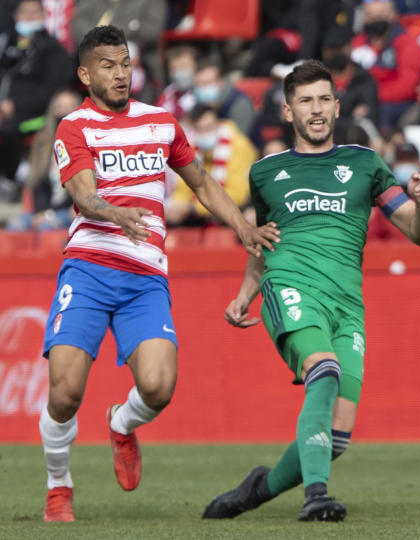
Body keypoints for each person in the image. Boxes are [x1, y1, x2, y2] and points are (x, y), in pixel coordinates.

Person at [38, 26, 279, 523]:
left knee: (159, 387)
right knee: (64, 392)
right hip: (87, 268)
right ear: (85, 74)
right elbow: (83, 193)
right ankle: (58, 487)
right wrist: (113, 212)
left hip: (145, 276)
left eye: (125, 63)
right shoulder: (74, 126)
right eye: (107, 64)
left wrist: (242, 227)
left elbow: (204, 182)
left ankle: (121, 423)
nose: (120, 72)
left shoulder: (162, 123)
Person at [201, 59, 420, 522]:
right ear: (288, 111)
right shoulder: (267, 171)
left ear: (336, 105)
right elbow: (262, 242)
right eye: (305, 101)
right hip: (290, 286)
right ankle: (316, 496)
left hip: (347, 303)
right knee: (323, 370)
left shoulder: (365, 163)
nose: (316, 109)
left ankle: (257, 489)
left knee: (340, 434)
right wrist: (246, 293)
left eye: (324, 99)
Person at [0, 0, 73, 197]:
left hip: (32, 115)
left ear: (43, 16)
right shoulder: (6, 44)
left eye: (35, 13)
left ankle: (12, 177)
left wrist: (15, 106)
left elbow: (50, 90)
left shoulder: (52, 49)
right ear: (15, 16)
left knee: (7, 128)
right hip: (4, 107)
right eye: (25, 13)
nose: (30, 17)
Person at [166, 104, 258, 226]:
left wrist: (193, 208)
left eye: (209, 128)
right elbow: (183, 187)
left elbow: (238, 196)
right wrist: (177, 205)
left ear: (219, 123)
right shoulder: (192, 147)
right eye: (201, 130)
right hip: (200, 211)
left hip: (237, 210)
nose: (206, 133)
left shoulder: (240, 146)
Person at [6, 89, 81, 232]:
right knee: (14, 226)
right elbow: (37, 183)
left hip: (71, 211)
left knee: (45, 227)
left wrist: (48, 215)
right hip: (43, 210)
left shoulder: (84, 145)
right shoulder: (42, 143)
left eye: (68, 107)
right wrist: (41, 213)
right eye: (59, 107)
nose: (63, 112)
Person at [350, 0, 420, 131]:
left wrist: (369, 99)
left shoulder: (408, 44)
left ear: (393, 15)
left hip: (402, 105)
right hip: (364, 101)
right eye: (371, 16)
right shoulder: (357, 43)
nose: (376, 20)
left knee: (380, 111)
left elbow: (406, 87)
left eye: (381, 15)